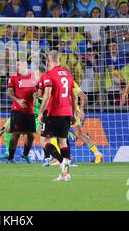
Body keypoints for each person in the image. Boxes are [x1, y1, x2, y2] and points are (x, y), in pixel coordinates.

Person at [38, 50, 77, 181]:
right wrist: (74, 113)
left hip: (53, 113)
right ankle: (66, 174)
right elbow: (74, 96)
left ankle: (62, 161)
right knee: (63, 142)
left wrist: (40, 112)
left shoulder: (49, 75)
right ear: (59, 59)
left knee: (44, 141)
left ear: (48, 61)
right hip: (66, 113)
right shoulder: (68, 74)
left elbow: (47, 95)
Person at [4, 60, 38, 163]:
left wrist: (36, 95)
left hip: (30, 110)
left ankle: (25, 154)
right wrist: (18, 100)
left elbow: (38, 91)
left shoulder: (33, 76)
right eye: (16, 64)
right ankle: (10, 158)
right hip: (17, 109)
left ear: (26, 65)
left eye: (19, 64)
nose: (17, 66)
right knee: (16, 134)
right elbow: (9, 93)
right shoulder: (13, 77)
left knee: (31, 135)